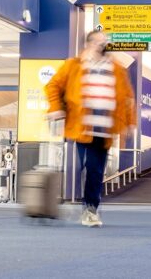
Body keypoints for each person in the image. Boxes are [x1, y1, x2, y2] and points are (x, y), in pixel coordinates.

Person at [46, 30, 136, 228]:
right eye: (98, 40)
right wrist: (56, 109)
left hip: (104, 130)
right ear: (88, 43)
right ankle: (84, 206)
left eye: (105, 41)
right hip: (82, 128)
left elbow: (128, 99)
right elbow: (53, 86)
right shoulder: (74, 66)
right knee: (83, 167)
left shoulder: (118, 70)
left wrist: (130, 122)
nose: (102, 43)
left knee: (95, 169)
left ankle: (90, 209)